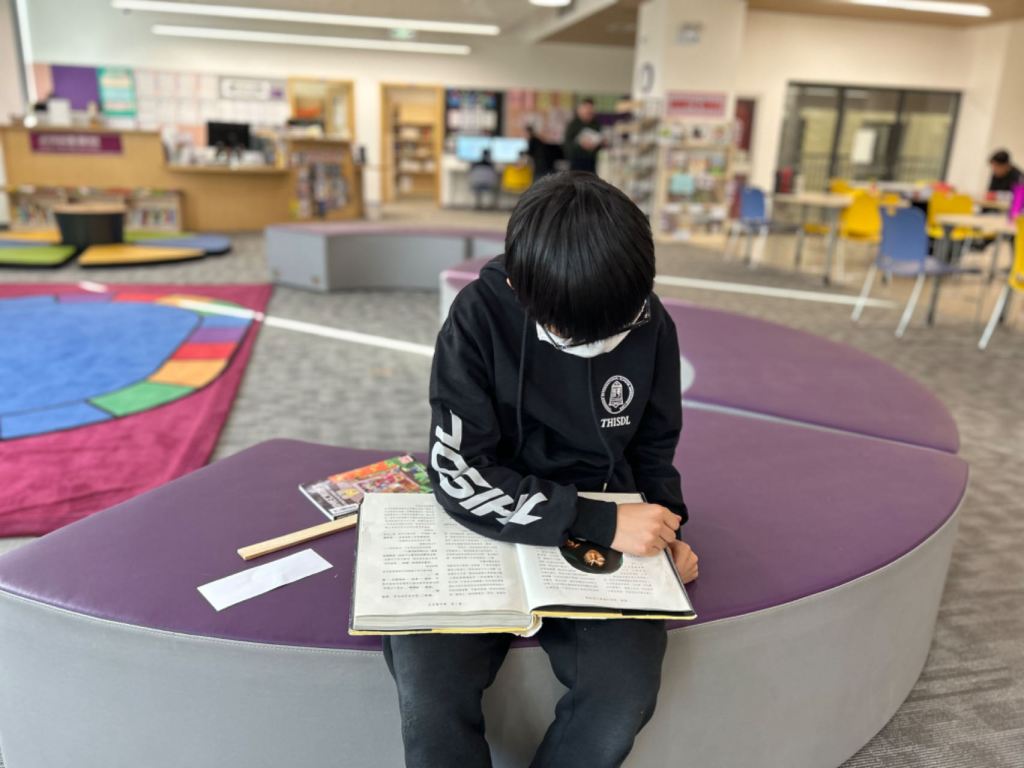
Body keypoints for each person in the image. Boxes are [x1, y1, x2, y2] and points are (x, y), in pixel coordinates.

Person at [383, 172, 699, 768]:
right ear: (521, 290)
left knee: (622, 696)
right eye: (571, 334)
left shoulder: (650, 321)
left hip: (604, 524)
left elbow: (655, 447)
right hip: (491, 520)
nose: (597, 344)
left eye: (617, 328)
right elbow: (458, 472)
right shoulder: (477, 317)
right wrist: (593, 520)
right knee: (430, 698)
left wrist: (667, 527)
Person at [563, 98, 604, 174]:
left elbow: (600, 142)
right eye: (586, 109)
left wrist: (600, 144)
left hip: (592, 164)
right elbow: (567, 146)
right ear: (580, 110)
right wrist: (580, 145)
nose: (589, 112)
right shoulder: (572, 125)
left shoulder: (596, 125)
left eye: (591, 110)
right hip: (576, 164)